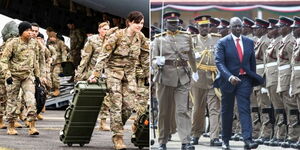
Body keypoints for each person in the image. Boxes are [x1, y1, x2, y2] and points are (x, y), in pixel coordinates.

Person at [88, 11, 149, 150]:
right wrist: (96, 74)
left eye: (141, 23)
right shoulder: (117, 36)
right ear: (129, 22)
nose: (139, 26)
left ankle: (117, 126)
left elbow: (145, 56)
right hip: (114, 73)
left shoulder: (141, 37)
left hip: (129, 75)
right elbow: (104, 55)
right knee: (116, 105)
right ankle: (118, 138)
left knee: (128, 107)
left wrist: (148, 74)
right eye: (137, 23)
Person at [214, 17, 264, 150]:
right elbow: (219, 62)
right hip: (228, 81)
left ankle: (248, 140)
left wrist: (251, 78)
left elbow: (252, 62)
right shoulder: (222, 42)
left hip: (244, 80)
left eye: (239, 26)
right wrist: (229, 77)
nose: (237, 28)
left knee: (244, 109)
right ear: (230, 27)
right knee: (227, 111)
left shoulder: (248, 42)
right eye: (235, 26)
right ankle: (225, 139)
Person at [152, 11, 198, 150]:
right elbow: (153, 59)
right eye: (171, 23)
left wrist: (195, 71)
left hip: (183, 77)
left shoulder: (186, 37)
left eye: (176, 23)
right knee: (164, 111)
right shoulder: (159, 39)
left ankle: (185, 141)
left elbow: (190, 55)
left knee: (182, 110)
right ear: (165, 24)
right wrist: (156, 63)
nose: (174, 25)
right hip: (165, 77)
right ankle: (163, 141)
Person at [0, 21, 40, 135]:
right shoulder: (13, 43)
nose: (30, 33)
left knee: (31, 100)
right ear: (21, 32)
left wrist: (37, 76)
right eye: (27, 30)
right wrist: (7, 75)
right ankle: (11, 126)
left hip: (27, 76)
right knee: (12, 102)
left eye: (31, 31)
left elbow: (35, 60)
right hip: (14, 77)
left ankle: (32, 126)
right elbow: (4, 60)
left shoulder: (34, 43)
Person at [190, 15, 222, 146]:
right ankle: (195, 134)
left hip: (213, 77)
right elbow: (186, 57)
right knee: (198, 109)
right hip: (198, 78)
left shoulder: (216, 39)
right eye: (201, 26)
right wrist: (192, 69)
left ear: (209, 27)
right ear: (197, 27)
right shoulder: (192, 40)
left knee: (214, 109)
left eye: (206, 26)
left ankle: (214, 137)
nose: (204, 28)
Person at [75, 21, 112, 131]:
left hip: (107, 73)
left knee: (106, 98)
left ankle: (103, 122)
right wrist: (79, 73)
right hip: (93, 73)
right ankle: (84, 121)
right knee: (90, 98)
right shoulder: (92, 40)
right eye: (104, 29)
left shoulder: (112, 41)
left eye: (108, 29)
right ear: (99, 30)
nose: (106, 31)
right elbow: (86, 58)